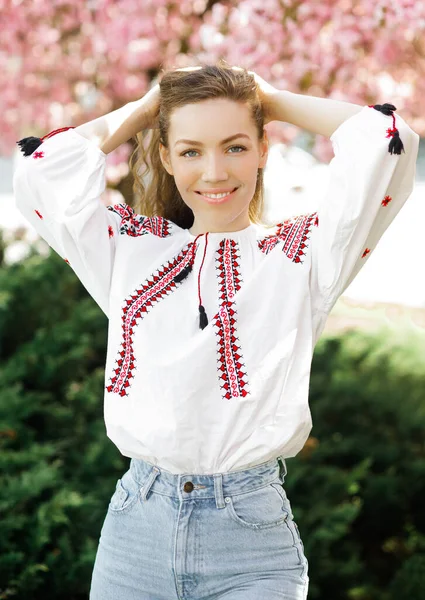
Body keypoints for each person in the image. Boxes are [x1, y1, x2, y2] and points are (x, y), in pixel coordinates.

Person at [13, 61, 419, 600]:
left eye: (234, 146)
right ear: (165, 156)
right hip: (135, 535)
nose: (214, 172)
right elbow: (43, 169)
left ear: (262, 150)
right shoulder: (127, 250)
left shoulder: (302, 256)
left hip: (251, 545)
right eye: (190, 151)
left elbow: (387, 142)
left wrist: (270, 99)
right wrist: (147, 109)